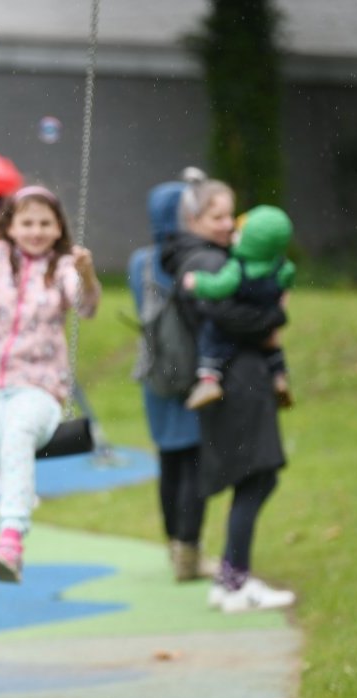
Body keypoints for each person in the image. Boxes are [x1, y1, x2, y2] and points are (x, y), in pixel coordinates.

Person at [0, 185, 101, 593]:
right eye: (27, 222)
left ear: (59, 227)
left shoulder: (61, 264)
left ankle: (10, 541)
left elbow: (85, 305)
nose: (36, 231)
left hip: (38, 386)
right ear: (10, 225)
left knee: (16, 436)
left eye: (45, 222)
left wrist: (86, 273)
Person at [160, 171, 294, 613]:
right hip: (236, 381)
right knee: (256, 476)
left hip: (237, 378)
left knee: (257, 476)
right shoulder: (208, 262)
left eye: (228, 214)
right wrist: (276, 316)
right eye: (216, 214)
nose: (226, 223)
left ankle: (230, 579)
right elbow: (227, 316)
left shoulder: (210, 256)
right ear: (192, 217)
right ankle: (234, 582)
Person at [128, 179, 208, 581]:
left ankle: (173, 543)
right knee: (195, 463)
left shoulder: (138, 262)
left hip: (156, 374)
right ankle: (189, 553)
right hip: (194, 371)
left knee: (170, 463)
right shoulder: (198, 258)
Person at [182, 205, 296, 410]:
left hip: (235, 327)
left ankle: (209, 380)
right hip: (265, 324)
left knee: (211, 337)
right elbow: (288, 282)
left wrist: (197, 282)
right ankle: (279, 377)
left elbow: (219, 287)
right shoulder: (282, 267)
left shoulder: (237, 268)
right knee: (272, 344)